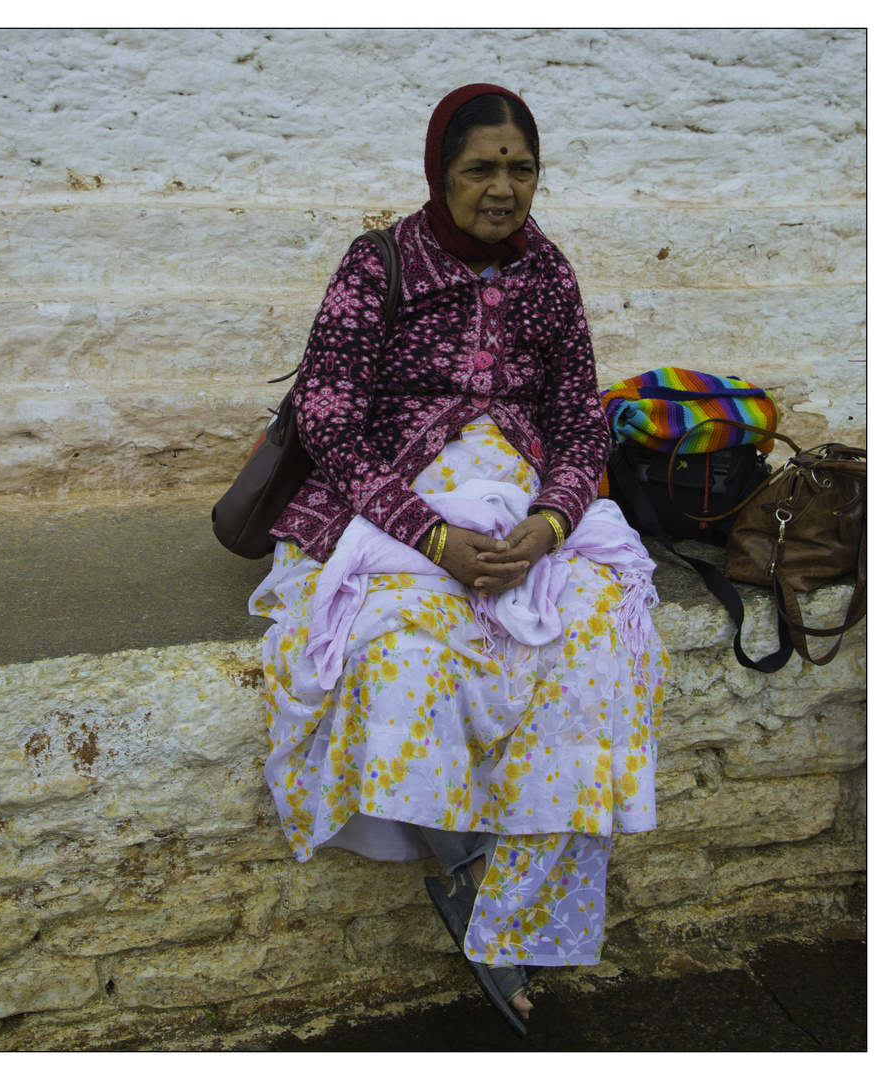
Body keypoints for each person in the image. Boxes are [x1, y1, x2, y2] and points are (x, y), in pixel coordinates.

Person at [250, 83, 668, 1036]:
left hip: (519, 507)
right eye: (480, 167)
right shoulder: (381, 262)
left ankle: (515, 902)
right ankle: (459, 855)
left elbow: (575, 423)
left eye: (520, 168)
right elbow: (325, 414)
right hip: (398, 502)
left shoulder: (548, 273)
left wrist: (554, 522)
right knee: (400, 645)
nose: (502, 187)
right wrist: (428, 531)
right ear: (440, 172)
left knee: (597, 641)